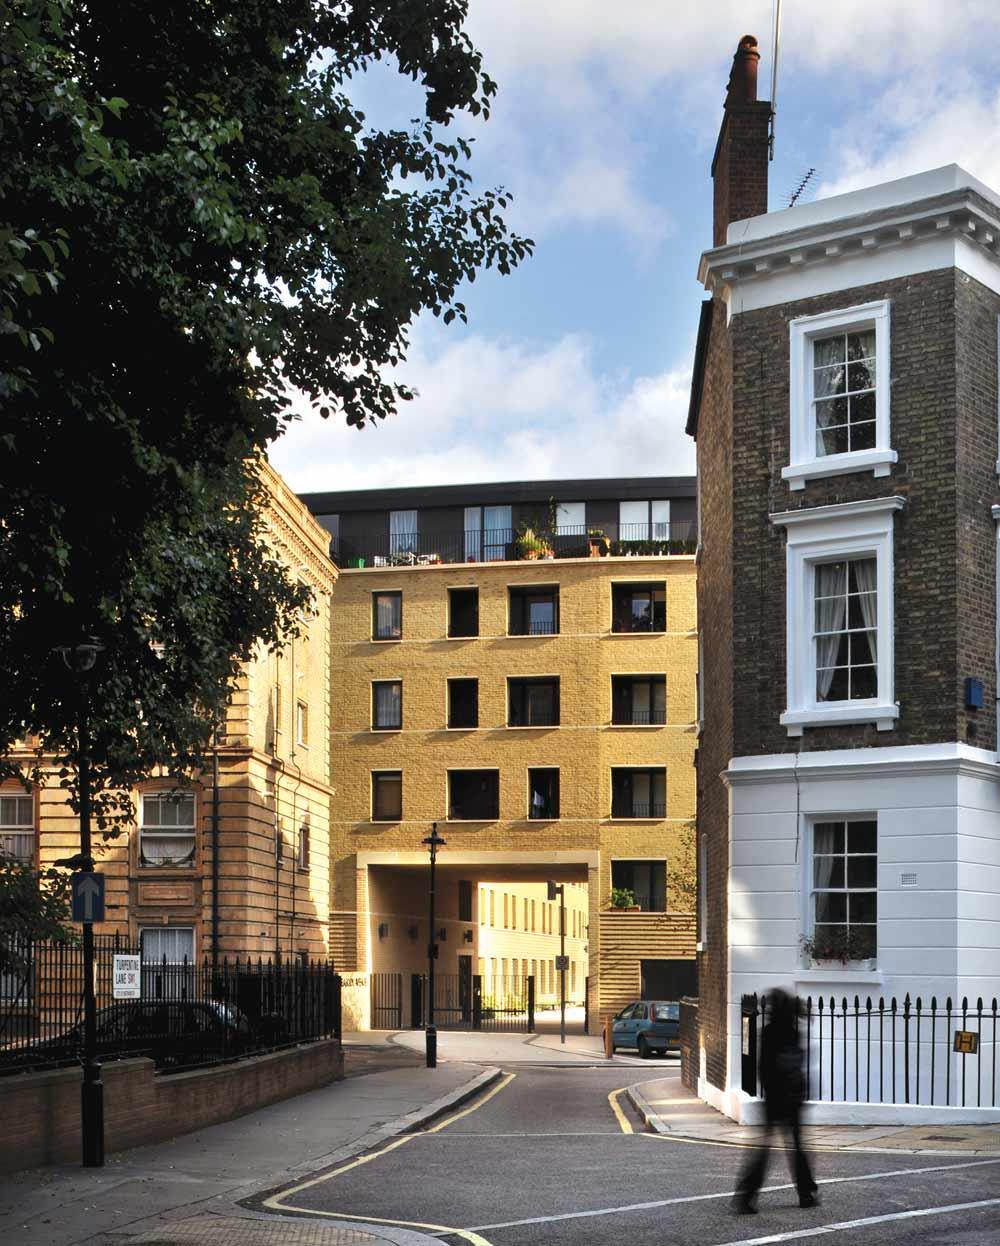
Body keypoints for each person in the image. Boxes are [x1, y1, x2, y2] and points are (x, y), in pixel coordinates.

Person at [733, 989, 818, 1214]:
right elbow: (798, 1064)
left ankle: (746, 1196)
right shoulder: (792, 1032)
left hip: (775, 1100)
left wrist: (769, 1091)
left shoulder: (769, 1032)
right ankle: (806, 1193)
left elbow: (763, 1068)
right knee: (797, 1148)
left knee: (763, 1151)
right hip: (792, 1098)